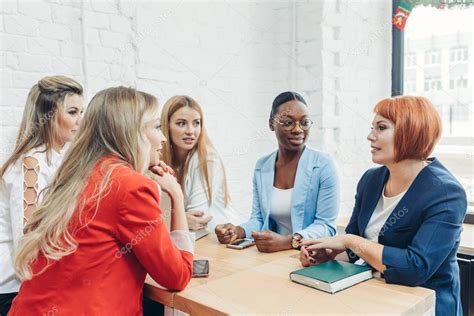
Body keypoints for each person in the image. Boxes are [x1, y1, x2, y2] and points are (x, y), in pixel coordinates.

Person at [8, 87, 194, 315]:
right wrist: (176, 195)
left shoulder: (77, 173)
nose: (163, 137)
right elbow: (178, 275)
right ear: (131, 131)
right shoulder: (131, 187)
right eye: (156, 127)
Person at [299, 96, 467, 316]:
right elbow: (355, 249)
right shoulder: (371, 180)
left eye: (381, 127)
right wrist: (329, 255)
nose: (370, 136)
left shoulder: (446, 194)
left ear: (412, 132)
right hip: (377, 297)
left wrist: (349, 241)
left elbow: (415, 269)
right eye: (372, 128)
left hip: (425, 305)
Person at [215, 91, 340, 253]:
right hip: (271, 257)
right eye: (288, 123)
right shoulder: (262, 166)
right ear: (271, 124)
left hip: (308, 256)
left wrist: (287, 242)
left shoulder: (324, 165)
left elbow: (326, 226)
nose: (298, 129)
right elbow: (259, 219)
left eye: (304, 122)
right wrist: (237, 231)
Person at [0, 76, 83, 315]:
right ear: (47, 116)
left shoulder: (55, 160)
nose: (80, 121)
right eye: (73, 112)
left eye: (81, 112)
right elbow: (29, 242)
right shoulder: (31, 165)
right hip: (12, 290)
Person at [160, 95, 238, 233]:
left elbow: (197, 218)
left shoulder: (207, 160)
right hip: (189, 240)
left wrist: (167, 219)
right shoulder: (161, 161)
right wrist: (180, 218)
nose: (191, 131)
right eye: (181, 123)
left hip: (217, 242)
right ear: (167, 126)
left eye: (196, 123)